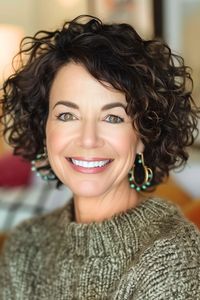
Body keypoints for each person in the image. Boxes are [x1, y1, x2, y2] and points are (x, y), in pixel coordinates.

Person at [0, 15, 200, 300]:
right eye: (67, 115)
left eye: (112, 117)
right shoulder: (25, 245)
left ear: (144, 135)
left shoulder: (172, 254)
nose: (88, 139)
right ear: (44, 128)